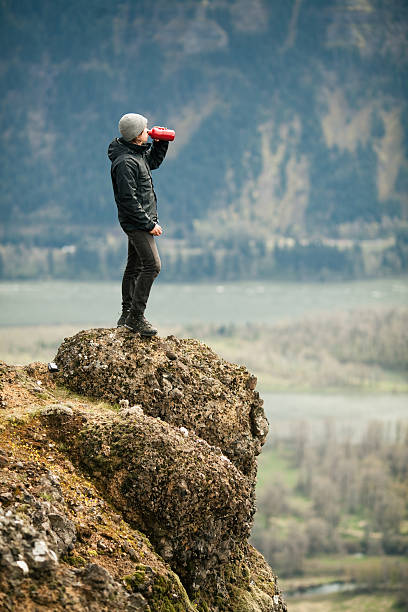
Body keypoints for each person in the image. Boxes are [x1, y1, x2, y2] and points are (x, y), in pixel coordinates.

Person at [107, 113, 169, 336]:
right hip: (136, 223)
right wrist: (148, 223)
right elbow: (128, 199)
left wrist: (161, 144)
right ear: (136, 136)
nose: (148, 131)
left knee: (134, 267)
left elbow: (152, 162)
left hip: (139, 221)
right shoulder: (125, 163)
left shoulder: (135, 155)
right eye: (145, 129)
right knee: (152, 266)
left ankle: (126, 314)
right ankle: (136, 317)